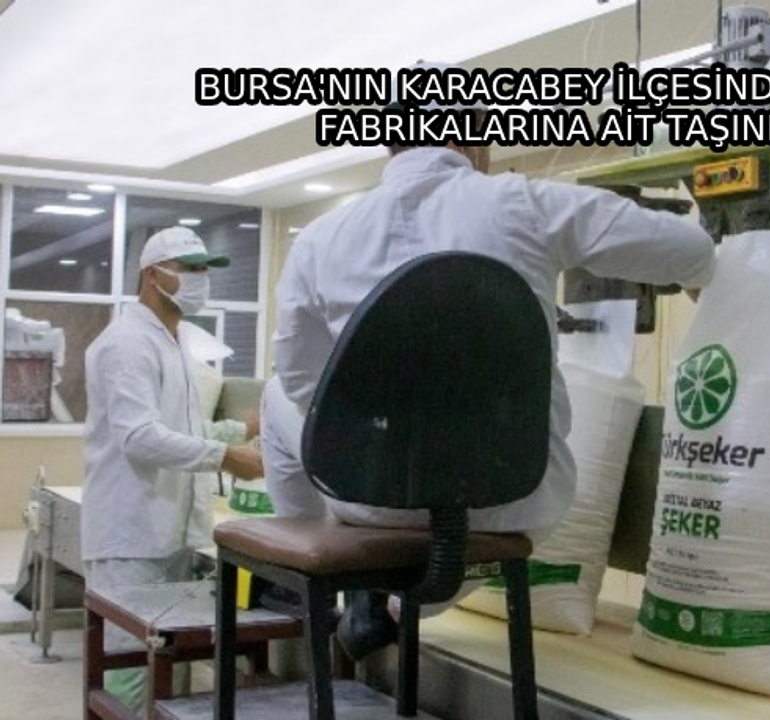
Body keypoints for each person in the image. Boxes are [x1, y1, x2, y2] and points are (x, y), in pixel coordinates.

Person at [266, 60, 717, 660]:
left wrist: (378, 442)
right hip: (516, 499)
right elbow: (690, 249)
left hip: (365, 501)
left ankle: (330, 573)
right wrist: (700, 275)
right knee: (474, 533)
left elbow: (302, 378)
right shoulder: (525, 202)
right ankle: (396, 606)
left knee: (276, 394)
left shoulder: (323, 237)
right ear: (476, 136)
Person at [81, 226, 264, 711]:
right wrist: (226, 457)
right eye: (190, 269)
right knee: (131, 671)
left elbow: (180, 426)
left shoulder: (173, 341)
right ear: (152, 275)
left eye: (205, 270)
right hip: (131, 536)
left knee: (166, 666)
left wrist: (238, 430)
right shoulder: (127, 344)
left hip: (169, 534)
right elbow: (140, 437)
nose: (200, 280)